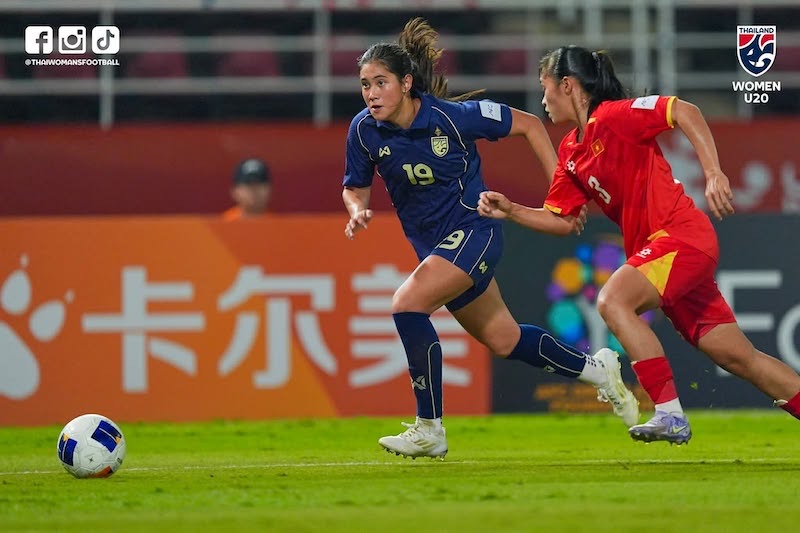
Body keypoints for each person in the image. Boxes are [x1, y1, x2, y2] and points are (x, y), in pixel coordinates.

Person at [341, 19, 639, 460]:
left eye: (380, 83)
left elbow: (532, 126)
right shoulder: (364, 130)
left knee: (407, 304)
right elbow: (355, 184)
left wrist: (565, 194)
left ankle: (429, 428)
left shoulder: (452, 117)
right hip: (436, 247)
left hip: (475, 232)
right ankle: (599, 371)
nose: (371, 93)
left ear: (406, 84)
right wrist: (357, 209)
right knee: (504, 339)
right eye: (365, 85)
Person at [478, 45, 800, 445]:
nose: (543, 99)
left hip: (680, 237)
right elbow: (562, 221)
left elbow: (684, 110)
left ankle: (669, 415)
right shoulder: (571, 151)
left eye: (545, 88)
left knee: (613, 300)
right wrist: (512, 210)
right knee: (739, 357)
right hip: (662, 253)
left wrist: (714, 173)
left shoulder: (615, 116)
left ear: (567, 85)